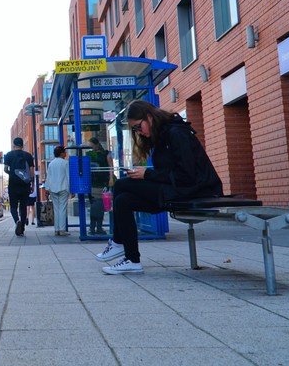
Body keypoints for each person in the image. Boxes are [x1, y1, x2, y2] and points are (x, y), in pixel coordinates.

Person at [96, 100, 223, 275]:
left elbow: (186, 175)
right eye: (134, 130)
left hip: (194, 191)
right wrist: (147, 174)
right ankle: (132, 260)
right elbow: (171, 172)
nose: (138, 132)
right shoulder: (163, 135)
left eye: (138, 127)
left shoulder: (176, 133)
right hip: (178, 190)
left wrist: (147, 174)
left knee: (121, 184)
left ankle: (118, 242)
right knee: (123, 200)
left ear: (149, 117)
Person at [4, 137, 34, 237]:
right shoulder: (28, 156)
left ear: (14, 145)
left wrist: (12, 173)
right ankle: (23, 227)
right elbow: (31, 172)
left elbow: (5, 169)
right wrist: (32, 184)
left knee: (13, 206)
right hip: (25, 185)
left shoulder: (9, 155)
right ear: (22, 145)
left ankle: (17, 222)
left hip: (13, 184)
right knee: (23, 206)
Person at [87, 137, 113, 235]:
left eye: (91, 145)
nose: (91, 147)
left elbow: (110, 166)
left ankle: (96, 227)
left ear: (96, 144)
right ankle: (95, 227)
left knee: (99, 206)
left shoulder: (105, 153)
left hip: (101, 182)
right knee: (95, 206)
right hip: (94, 183)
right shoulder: (90, 154)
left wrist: (111, 178)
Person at [44, 145, 70, 236]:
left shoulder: (51, 164)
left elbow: (48, 177)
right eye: (64, 152)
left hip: (53, 189)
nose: (66, 153)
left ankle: (57, 229)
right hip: (63, 188)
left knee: (56, 209)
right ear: (61, 153)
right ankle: (62, 230)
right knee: (62, 209)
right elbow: (68, 177)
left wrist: (47, 189)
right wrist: (71, 190)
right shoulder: (65, 163)